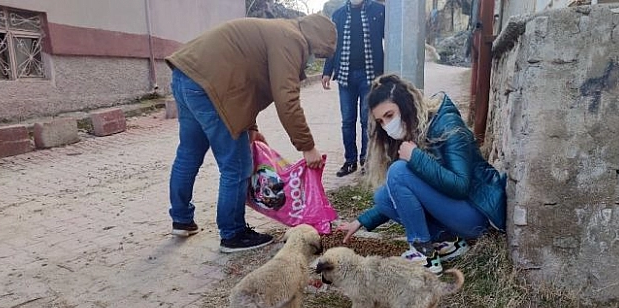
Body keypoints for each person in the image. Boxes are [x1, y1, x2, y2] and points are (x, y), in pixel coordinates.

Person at [165, 14, 337, 253]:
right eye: (317, 53)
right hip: (210, 87)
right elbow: (286, 98)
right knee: (236, 165)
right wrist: (307, 147)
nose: (311, 59)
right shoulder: (292, 39)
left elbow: (244, 81)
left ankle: (181, 219)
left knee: (189, 152)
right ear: (314, 40)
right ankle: (233, 234)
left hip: (186, 75)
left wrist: (252, 128)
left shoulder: (277, 31)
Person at [338, 74, 506, 274]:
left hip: (478, 212)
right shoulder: (413, 131)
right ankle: (449, 242)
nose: (386, 125)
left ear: (407, 105)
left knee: (399, 172)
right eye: (381, 121)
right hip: (458, 211)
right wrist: (361, 221)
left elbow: (460, 185)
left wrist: (416, 157)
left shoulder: (447, 124)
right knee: (383, 196)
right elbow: (404, 192)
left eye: (390, 115)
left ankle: (423, 253)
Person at [322, 0, 385, 177]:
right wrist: (327, 71)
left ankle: (366, 161)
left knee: (367, 120)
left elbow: (392, 37)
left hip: (369, 76)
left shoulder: (379, 11)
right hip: (345, 76)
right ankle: (350, 161)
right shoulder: (339, 15)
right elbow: (332, 46)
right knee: (348, 121)